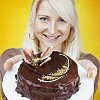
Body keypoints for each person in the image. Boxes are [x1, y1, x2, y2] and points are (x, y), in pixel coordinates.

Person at [0, 0, 99, 100]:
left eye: (62, 20)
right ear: (33, 21)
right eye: (44, 18)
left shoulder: (87, 67)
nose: (52, 30)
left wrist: (80, 74)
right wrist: (22, 68)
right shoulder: (10, 59)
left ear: (71, 25)